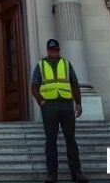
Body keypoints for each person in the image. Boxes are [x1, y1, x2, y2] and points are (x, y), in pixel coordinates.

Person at [31, 39, 88, 183]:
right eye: (51, 49)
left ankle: (76, 172)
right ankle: (52, 173)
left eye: (55, 49)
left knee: (71, 139)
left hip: (66, 105)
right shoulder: (41, 65)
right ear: (47, 50)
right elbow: (34, 85)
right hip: (49, 106)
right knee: (51, 140)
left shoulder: (66, 64)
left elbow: (74, 83)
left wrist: (78, 103)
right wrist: (41, 101)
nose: (53, 52)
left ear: (59, 50)